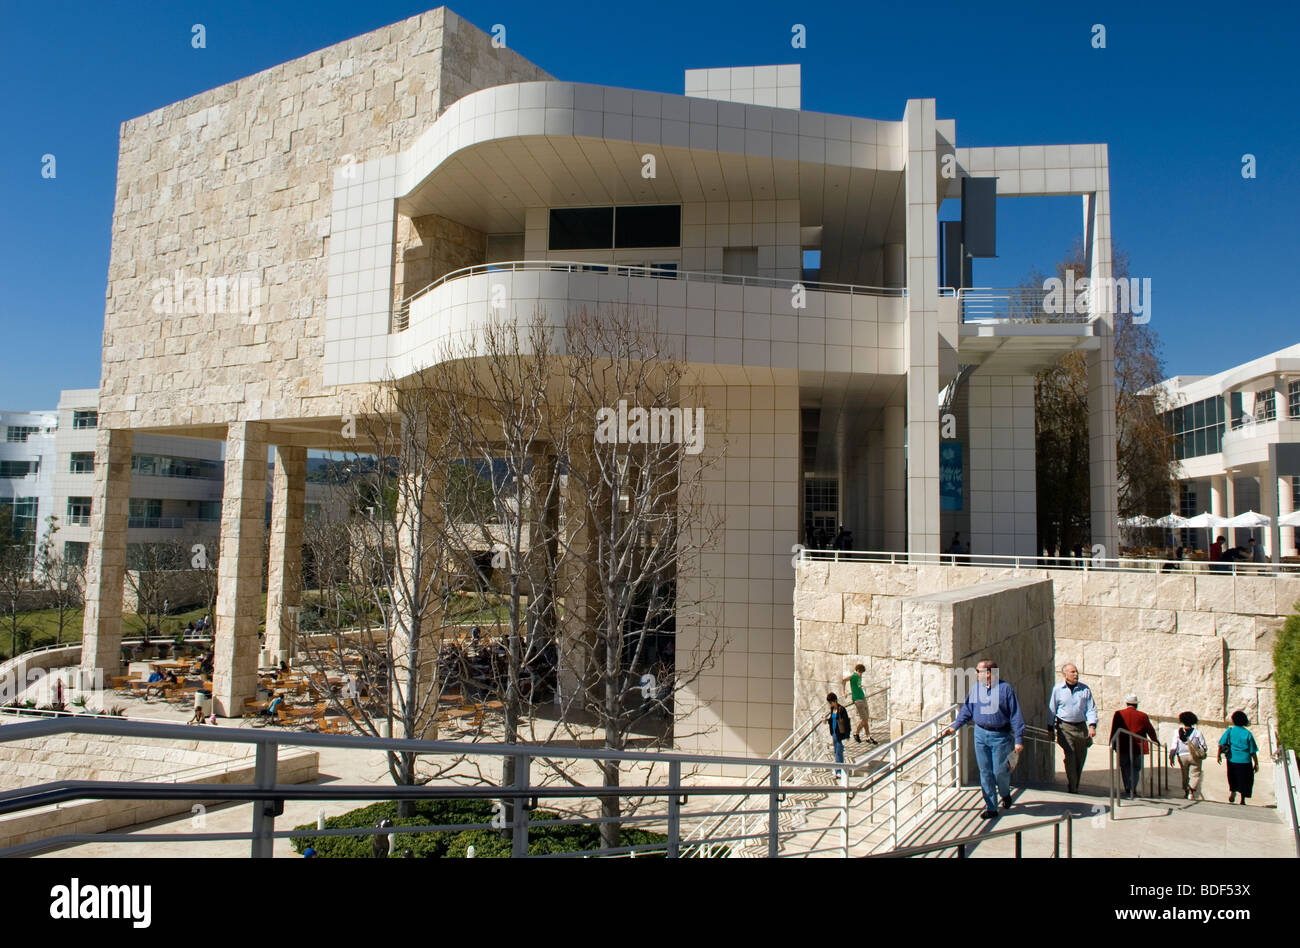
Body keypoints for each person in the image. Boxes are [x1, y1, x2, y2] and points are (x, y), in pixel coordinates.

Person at [942, 660, 1025, 820]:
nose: (975, 674)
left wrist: (1019, 739)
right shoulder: (976, 689)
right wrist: (955, 726)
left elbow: (1015, 715)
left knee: (1000, 771)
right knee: (985, 772)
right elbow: (967, 709)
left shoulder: (1005, 689)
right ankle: (991, 806)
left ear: (989, 673)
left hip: (1000, 736)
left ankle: (1005, 793)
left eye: (978, 671)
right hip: (980, 734)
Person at [1047, 663, 1098, 793]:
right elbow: (1052, 709)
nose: (1076, 674)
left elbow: (1091, 709)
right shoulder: (1058, 689)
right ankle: (1072, 786)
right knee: (1070, 756)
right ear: (1065, 674)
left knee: (1080, 758)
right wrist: (1050, 728)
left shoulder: (1084, 689)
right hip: (1065, 727)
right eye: (1073, 672)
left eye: (1076, 672)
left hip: (1080, 727)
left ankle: (1075, 782)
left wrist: (1092, 726)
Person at [1110, 694, 1158, 799]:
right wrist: (1155, 740)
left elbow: (1114, 729)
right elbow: (1150, 729)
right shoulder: (1142, 715)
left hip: (1122, 745)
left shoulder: (1119, 714)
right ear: (1136, 705)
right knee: (1136, 768)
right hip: (1138, 746)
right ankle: (1132, 788)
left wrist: (1112, 743)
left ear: (1127, 703)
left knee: (1124, 766)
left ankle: (1127, 787)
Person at [1217, 710, 1259, 804]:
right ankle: (1242, 799)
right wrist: (1256, 763)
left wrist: (1218, 755)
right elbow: (1252, 750)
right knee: (1245, 780)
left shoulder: (1230, 730)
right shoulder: (1248, 734)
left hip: (1232, 759)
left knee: (1232, 776)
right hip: (1245, 761)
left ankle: (1232, 791)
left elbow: (1221, 743)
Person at [1169, 711, 1207, 801]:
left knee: (1184, 774)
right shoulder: (1197, 733)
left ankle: (1186, 790)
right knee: (1195, 774)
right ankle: (1191, 791)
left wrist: (1171, 756)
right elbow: (1203, 746)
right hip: (1194, 756)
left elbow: (1174, 745)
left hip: (1182, 756)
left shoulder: (1177, 732)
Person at [841, 664, 877, 745]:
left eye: (862, 672)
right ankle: (856, 733)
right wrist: (844, 692)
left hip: (863, 698)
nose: (860, 674)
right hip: (857, 700)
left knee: (866, 719)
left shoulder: (859, 677)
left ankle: (868, 737)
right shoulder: (853, 676)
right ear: (857, 670)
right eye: (859, 672)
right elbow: (843, 680)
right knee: (864, 719)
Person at [825, 692, 852, 773]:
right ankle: (839, 770)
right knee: (836, 751)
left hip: (839, 733)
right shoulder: (832, 709)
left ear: (835, 700)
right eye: (829, 703)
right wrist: (826, 720)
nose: (830, 704)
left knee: (839, 752)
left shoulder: (841, 709)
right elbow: (832, 720)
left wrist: (847, 735)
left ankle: (839, 771)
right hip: (834, 732)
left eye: (831, 702)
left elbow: (846, 722)